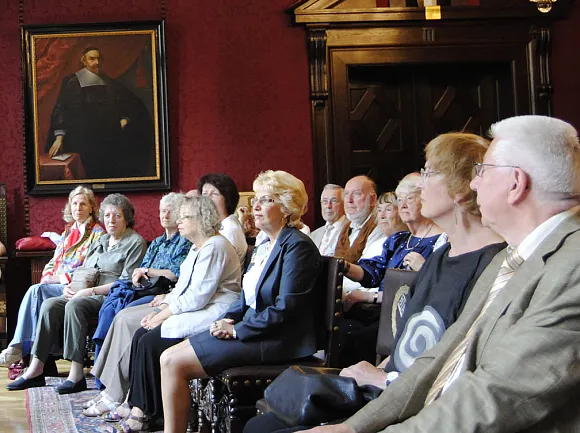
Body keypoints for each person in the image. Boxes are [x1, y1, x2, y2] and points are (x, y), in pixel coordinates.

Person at [309, 115, 580, 433]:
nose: (474, 182)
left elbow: (498, 396)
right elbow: (438, 358)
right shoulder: (511, 256)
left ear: (516, 184)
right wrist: (353, 428)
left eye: (483, 172)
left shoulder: (572, 265)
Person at [245, 132, 506, 433]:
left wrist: (381, 380)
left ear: (461, 188)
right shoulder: (442, 255)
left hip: (417, 405)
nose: (420, 184)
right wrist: (374, 371)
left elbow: (457, 370)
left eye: (429, 173)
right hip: (389, 387)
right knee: (259, 424)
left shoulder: (493, 265)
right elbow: (406, 344)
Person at [158, 170, 323, 433]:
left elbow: (286, 309)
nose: (255, 206)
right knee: (168, 356)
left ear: (287, 207)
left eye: (266, 200)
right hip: (256, 330)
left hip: (278, 340)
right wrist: (228, 318)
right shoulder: (264, 244)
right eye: (256, 199)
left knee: (174, 363)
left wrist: (237, 329)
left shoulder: (297, 246)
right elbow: (246, 296)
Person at [88, 195, 241, 427]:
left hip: (215, 311)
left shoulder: (216, 246)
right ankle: (139, 405)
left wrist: (163, 315)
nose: (179, 221)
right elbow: (182, 289)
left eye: (185, 216)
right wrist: (163, 306)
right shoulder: (198, 247)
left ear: (201, 219)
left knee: (150, 340)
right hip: (199, 307)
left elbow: (198, 296)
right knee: (142, 334)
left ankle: (146, 411)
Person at [8, 193, 146, 393]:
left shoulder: (135, 242)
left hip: (110, 296)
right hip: (86, 291)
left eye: (117, 215)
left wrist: (89, 291)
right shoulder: (103, 239)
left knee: (75, 305)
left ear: (127, 218)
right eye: (107, 215)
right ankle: (36, 368)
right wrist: (70, 287)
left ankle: (76, 373)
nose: (111, 220)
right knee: (50, 305)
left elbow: (125, 283)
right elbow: (84, 269)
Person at [0, 185, 105, 367]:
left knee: (35, 292)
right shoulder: (68, 231)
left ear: (92, 208)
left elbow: (91, 269)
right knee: (37, 292)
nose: (78, 208)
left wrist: (59, 279)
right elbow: (53, 261)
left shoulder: (97, 233)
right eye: (75, 204)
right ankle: (36, 356)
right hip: (55, 283)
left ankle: (21, 349)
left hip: (74, 287)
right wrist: (47, 276)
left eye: (83, 204)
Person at [92, 193, 191, 354]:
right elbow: (138, 272)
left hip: (163, 293)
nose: (165, 215)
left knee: (123, 311)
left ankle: (115, 363)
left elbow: (176, 274)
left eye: (170, 211)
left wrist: (147, 271)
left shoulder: (184, 241)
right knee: (110, 306)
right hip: (142, 288)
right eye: (162, 211)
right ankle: (101, 362)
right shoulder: (157, 242)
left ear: (179, 214)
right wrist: (139, 275)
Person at [47, 47, 154, 179]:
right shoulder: (72, 82)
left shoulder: (109, 82)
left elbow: (129, 102)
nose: (96, 62)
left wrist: (125, 118)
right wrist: (59, 137)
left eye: (99, 59)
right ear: (84, 61)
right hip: (82, 140)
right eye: (92, 59)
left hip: (108, 138)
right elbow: (62, 108)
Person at [343, 174, 442, 309]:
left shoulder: (443, 241)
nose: (403, 205)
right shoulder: (398, 240)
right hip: (382, 313)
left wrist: (424, 269)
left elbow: (440, 289)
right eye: (400, 200)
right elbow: (373, 272)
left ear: (426, 199)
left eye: (410, 198)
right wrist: (342, 267)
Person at [198, 173, 248, 263]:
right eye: (204, 194)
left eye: (214, 194)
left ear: (227, 199)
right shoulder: (218, 225)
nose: (207, 199)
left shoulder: (230, 229)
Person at [336, 176, 385, 264]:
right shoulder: (345, 227)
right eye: (346, 194)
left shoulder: (380, 226)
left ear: (373, 199)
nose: (349, 200)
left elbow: (367, 266)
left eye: (356, 194)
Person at [310, 184, 348, 256]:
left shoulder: (352, 230)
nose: (328, 206)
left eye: (334, 201)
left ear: (344, 204)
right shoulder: (313, 235)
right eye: (324, 201)